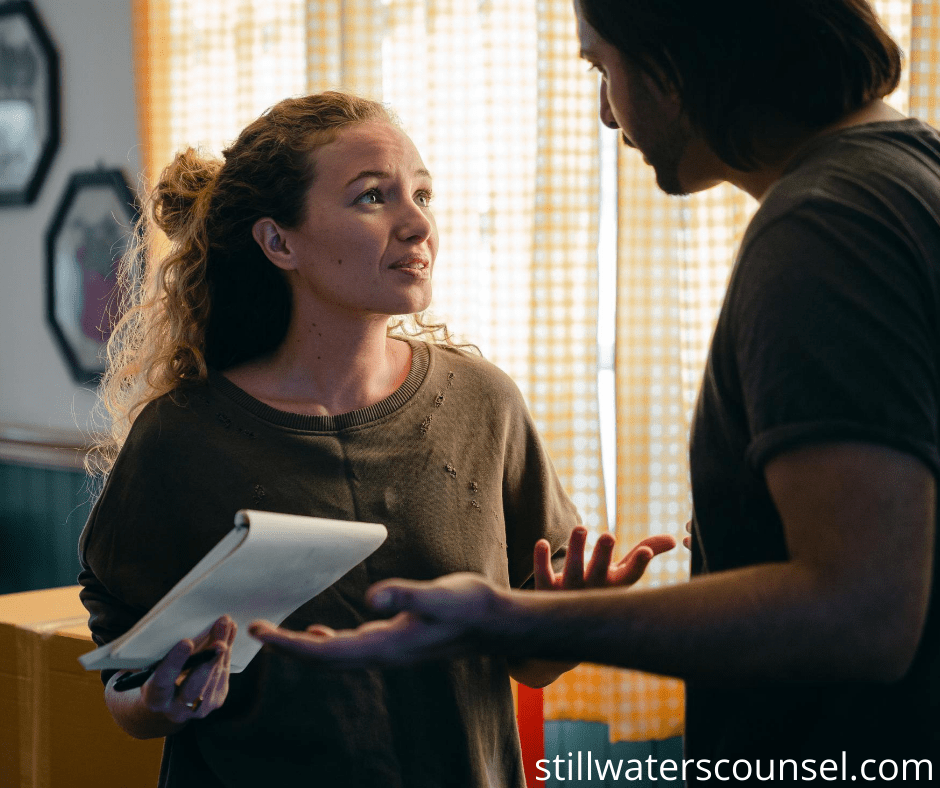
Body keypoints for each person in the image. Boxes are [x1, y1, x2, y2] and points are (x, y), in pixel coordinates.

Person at [251, 1, 940, 782]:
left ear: (679, 58)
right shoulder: (909, 178)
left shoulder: (827, 226)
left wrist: (505, 615)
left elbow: (864, 612)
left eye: (602, 68)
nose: (610, 114)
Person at [77, 90, 674, 787]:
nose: (418, 223)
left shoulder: (484, 404)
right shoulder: (179, 439)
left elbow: (528, 662)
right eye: (372, 198)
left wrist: (570, 617)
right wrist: (158, 700)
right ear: (279, 242)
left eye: (421, 193)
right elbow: (125, 681)